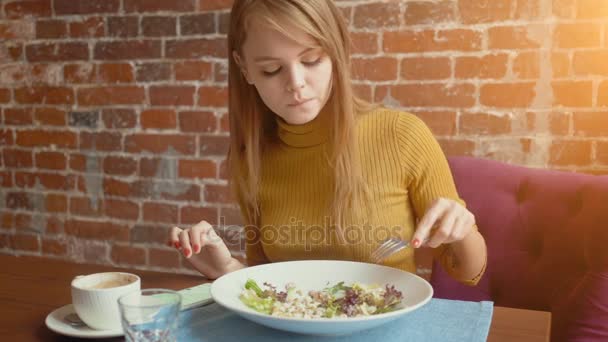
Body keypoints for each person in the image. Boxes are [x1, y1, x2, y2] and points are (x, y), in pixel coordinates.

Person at [168, 0, 487, 285]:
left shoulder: (403, 135)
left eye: (312, 60)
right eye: (272, 69)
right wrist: (228, 269)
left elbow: (468, 271)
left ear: (336, 53)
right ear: (244, 68)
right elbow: (270, 286)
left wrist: (463, 228)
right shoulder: (249, 157)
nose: (296, 84)